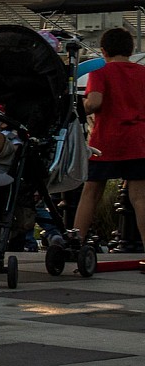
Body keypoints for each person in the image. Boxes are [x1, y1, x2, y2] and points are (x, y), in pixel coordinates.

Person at [75, 26, 145, 248]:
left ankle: (76, 241)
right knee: (140, 197)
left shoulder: (100, 74)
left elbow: (94, 103)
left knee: (91, 192)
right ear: (131, 49)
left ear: (103, 51)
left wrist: (81, 107)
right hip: (138, 141)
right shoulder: (143, 73)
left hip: (106, 141)